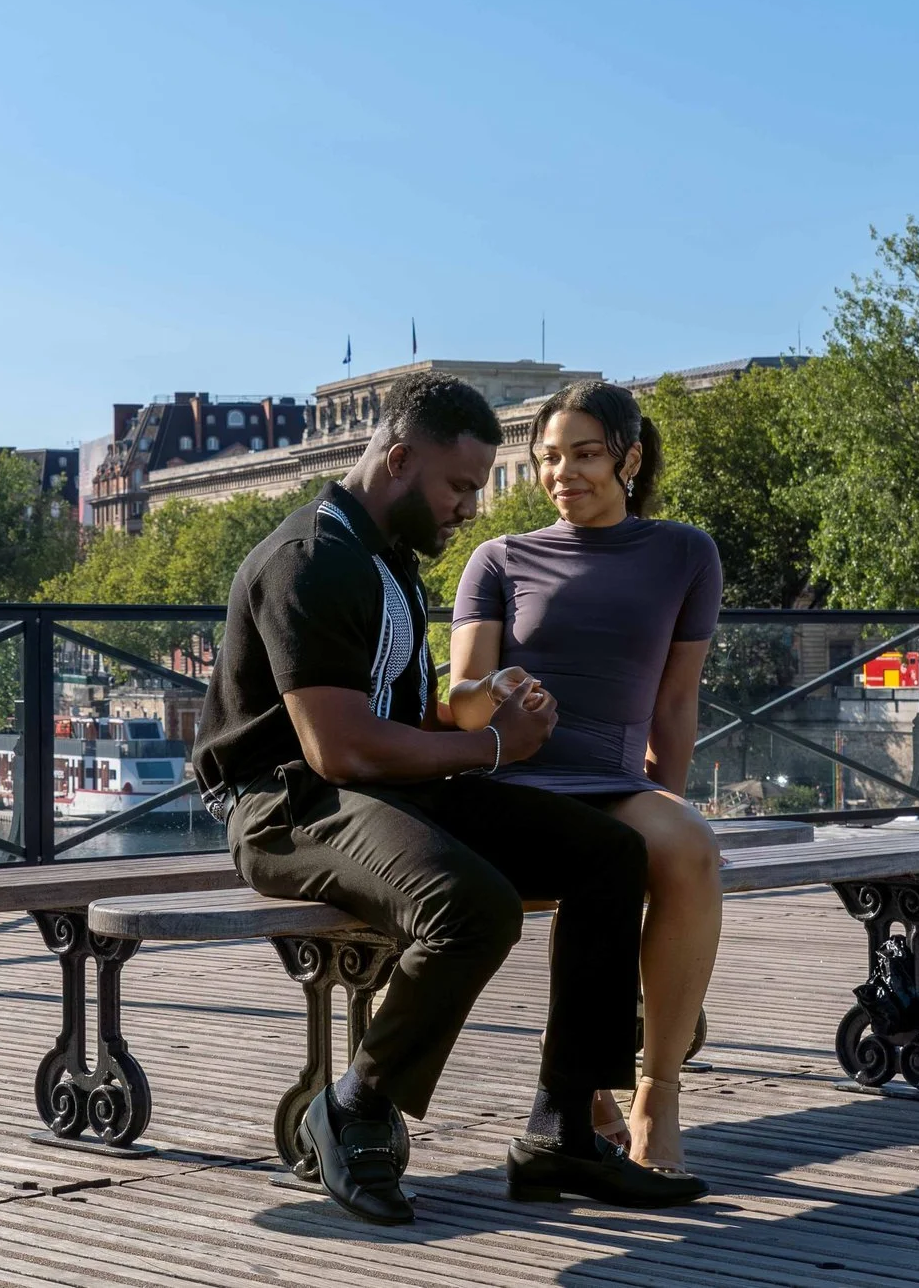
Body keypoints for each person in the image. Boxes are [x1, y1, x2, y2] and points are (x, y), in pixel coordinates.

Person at [193, 371, 706, 1226]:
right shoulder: (311, 559)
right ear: (398, 460)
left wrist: (483, 705)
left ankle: (563, 1129)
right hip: (288, 803)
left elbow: (397, 716)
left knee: (610, 854)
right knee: (471, 904)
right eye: (460, 486)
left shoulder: (386, 557)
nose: (472, 507)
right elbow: (338, 746)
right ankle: (352, 1103)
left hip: (383, 787)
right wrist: (493, 746)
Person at [449, 378, 724, 1175]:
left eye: (585, 454)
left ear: (630, 458)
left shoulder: (684, 553)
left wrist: (666, 797)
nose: (562, 473)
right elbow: (457, 698)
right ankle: (579, 1077)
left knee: (689, 847)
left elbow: (676, 704)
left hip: (611, 783)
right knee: (610, 856)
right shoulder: (497, 558)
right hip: (512, 781)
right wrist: (493, 691)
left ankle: (656, 1093)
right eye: (547, 458)